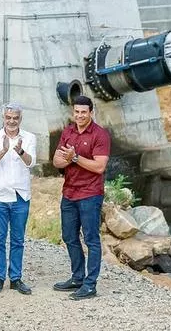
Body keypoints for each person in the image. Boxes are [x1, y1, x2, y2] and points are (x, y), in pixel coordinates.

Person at [51, 96, 110, 300]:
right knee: (69, 236)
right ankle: (77, 277)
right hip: (69, 192)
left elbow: (99, 166)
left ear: (91, 112)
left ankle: (90, 284)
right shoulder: (68, 131)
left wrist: (75, 158)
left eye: (83, 112)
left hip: (90, 194)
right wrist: (67, 159)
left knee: (91, 239)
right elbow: (56, 161)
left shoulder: (100, 135)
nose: (79, 115)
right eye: (76, 112)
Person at [0, 103, 36, 295]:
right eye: (8, 117)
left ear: (20, 119)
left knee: (18, 239)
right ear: (3, 118)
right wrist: (4, 150)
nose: (12, 121)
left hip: (21, 195)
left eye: (15, 117)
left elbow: (31, 162)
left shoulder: (29, 137)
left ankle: (16, 278)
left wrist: (20, 151)